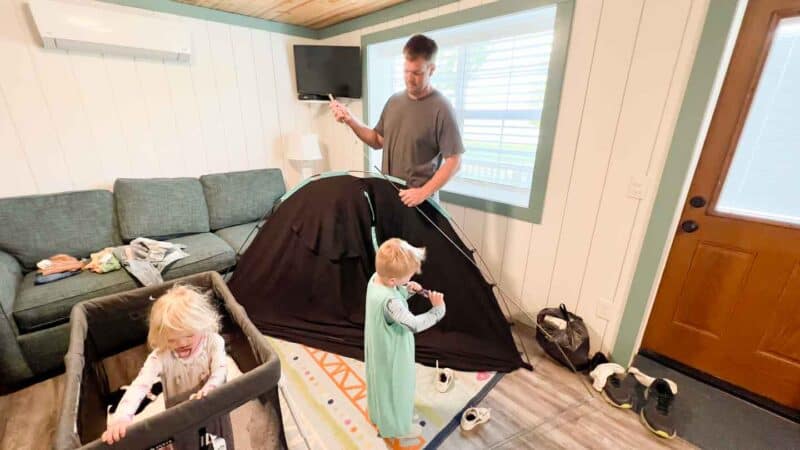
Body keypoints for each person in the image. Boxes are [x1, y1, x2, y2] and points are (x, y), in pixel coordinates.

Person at [330, 34, 464, 207]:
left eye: (417, 73)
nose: (409, 78)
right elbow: (377, 141)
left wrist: (423, 193)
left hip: (420, 204)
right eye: (406, 71)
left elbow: (455, 161)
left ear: (431, 69)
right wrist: (350, 119)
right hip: (389, 198)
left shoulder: (442, 108)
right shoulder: (394, 101)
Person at [102, 284, 232, 448]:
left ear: (203, 324)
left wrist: (210, 388)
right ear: (162, 336)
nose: (182, 343)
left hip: (213, 405)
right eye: (172, 339)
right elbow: (139, 386)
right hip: (179, 415)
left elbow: (220, 370)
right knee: (186, 443)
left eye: (189, 335)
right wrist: (121, 417)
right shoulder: (160, 356)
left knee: (219, 438)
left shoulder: (213, 342)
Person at [364, 238, 446, 439]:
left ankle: (380, 416)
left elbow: (389, 302)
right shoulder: (391, 302)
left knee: (380, 383)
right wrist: (437, 310)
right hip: (393, 352)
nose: (411, 277)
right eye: (408, 275)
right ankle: (397, 428)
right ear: (392, 280)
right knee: (398, 385)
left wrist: (404, 290)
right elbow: (413, 324)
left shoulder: (376, 278)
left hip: (378, 347)